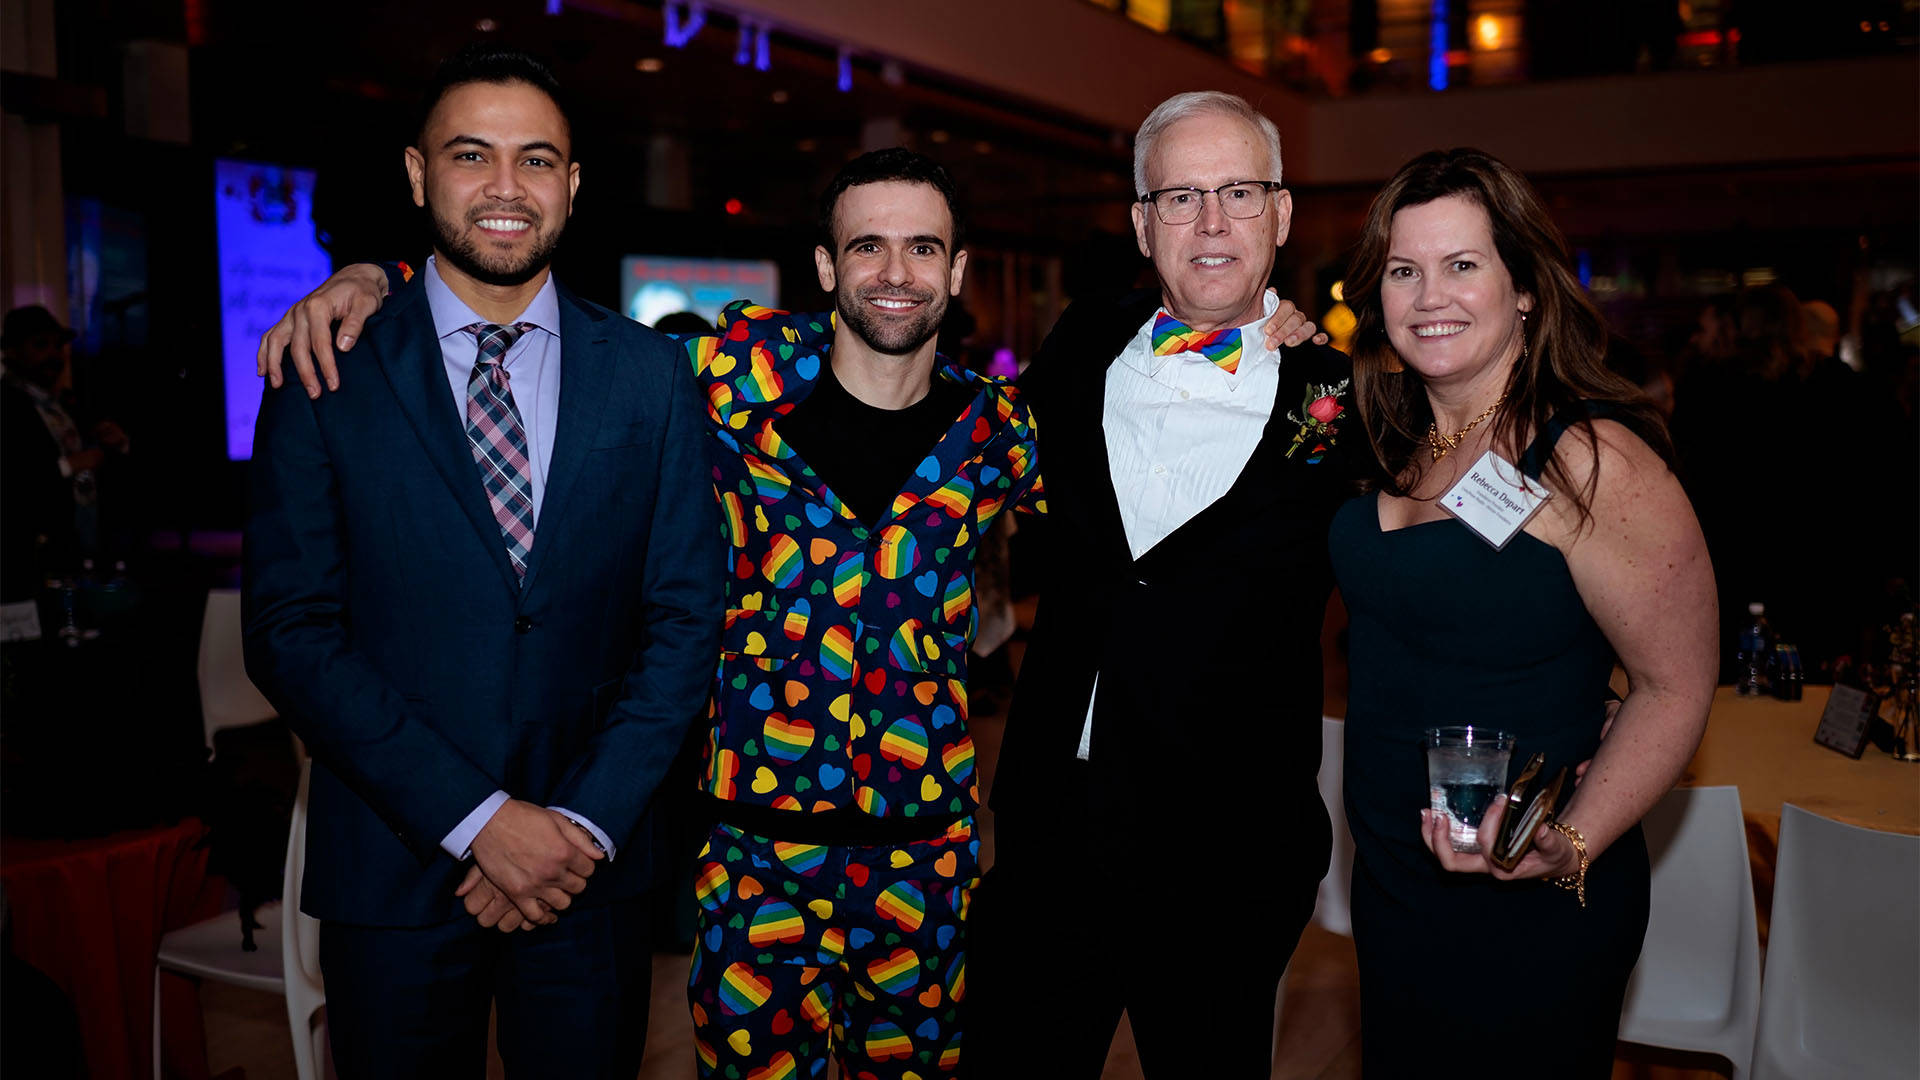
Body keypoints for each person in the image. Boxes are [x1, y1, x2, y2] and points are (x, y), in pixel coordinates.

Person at [257, 150, 1320, 1080]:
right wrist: (379, 278)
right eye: (866, 247)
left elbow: (1161, 465)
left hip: (924, 864)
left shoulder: (1005, 432)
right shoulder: (724, 376)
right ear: (826, 266)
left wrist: (1277, 340)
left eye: (921, 249)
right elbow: (546, 329)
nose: (893, 273)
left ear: (954, 273)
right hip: (754, 856)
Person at [243, 45, 721, 1078]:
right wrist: (478, 822)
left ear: (574, 184)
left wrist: (576, 825)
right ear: (418, 174)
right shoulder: (324, 364)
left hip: (586, 869)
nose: (507, 189)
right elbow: (289, 634)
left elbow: (686, 621)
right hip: (395, 866)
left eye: (537, 160)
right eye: (472, 155)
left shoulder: (650, 377)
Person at [972, 90, 1361, 1077]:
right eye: (1182, 196)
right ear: (1143, 224)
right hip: (1055, 827)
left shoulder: (1340, 397)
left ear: (1281, 214)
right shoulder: (1081, 340)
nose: (1214, 221)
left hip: (1230, 845)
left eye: (1240, 192)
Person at [1329, 147, 1716, 1077]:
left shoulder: (1587, 458)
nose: (1432, 297)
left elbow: (1675, 685)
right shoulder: (1389, 440)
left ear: (1527, 289)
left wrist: (1568, 840)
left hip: (1527, 896)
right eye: (1404, 270)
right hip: (1392, 884)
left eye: (1463, 265)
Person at [1, 305, 130, 599]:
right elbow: (12, 484)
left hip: (86, 553)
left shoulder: (68, 402)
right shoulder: (7, 404)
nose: (54, 355)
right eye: (40, 345)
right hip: (33, 561)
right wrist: (68, 466)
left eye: (59, 346)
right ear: (12, 351)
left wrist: (119, 444)